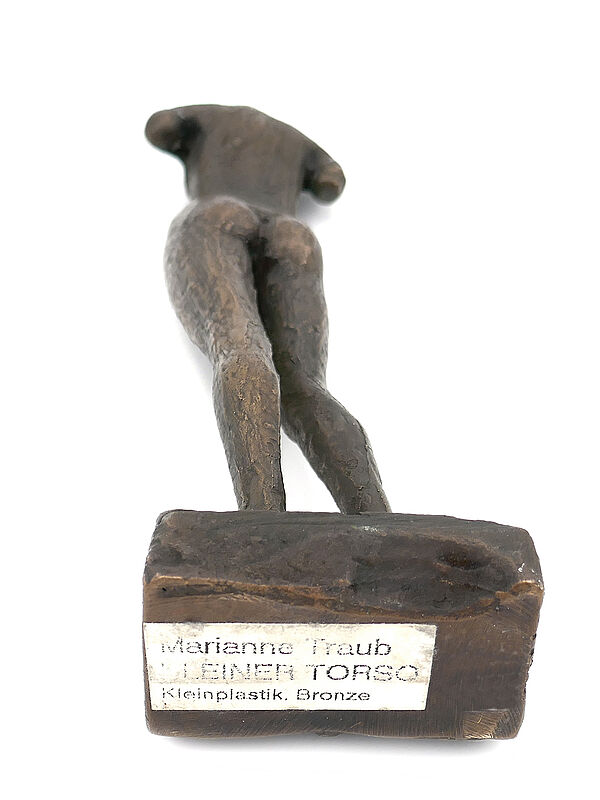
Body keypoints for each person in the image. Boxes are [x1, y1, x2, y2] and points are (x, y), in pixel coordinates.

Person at [146, 105, 389, 513]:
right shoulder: (300, 143)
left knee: (238, 346)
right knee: (304, 387)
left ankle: (262, 516)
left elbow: (159, 126)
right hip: (291, 231)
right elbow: (330, 183)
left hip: (215, 215)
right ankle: (376, 518)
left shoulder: (207, 115)